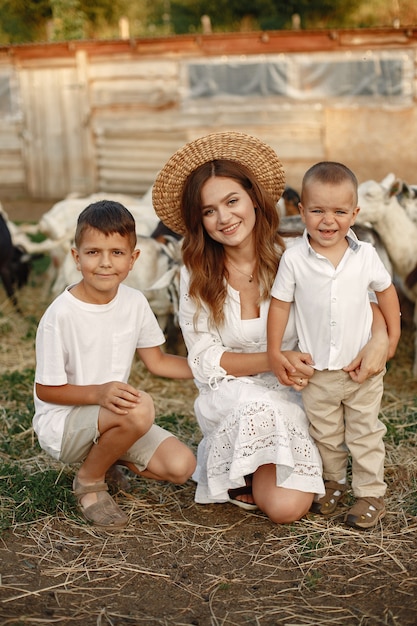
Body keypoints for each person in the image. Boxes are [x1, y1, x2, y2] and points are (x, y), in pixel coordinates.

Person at [151, 131, 390, 524]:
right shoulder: (194, 274)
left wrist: (380, 338)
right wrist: (274, 359)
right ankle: (240, 461)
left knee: (285, 508)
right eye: (209, 211)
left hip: (298, 392)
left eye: (232, 201)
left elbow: (357, 300)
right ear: (199, 220)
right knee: (257, 415)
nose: (224, 218)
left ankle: (252, 472)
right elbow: (205, 359)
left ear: (254, 199)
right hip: (234, 396)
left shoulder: (296, 254)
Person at [33, 200, 196, 529]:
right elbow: (46, 390)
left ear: (133, 258)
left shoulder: (134, 303)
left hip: (111, 417)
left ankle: (105, 458)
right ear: (76, 257)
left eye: (117, 253)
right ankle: (90, 481)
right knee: (140, 408)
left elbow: (159, 362)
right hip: (64, 428)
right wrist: (99, 394)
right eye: (93, 252)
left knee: (182, 466)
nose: (105, 263)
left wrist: (214, 366)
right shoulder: (60, 315)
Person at [267, 161, 401, 529]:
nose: (329, 221)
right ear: (301, 211)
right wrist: (275, 351)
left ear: (355, 213)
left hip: (361, 368)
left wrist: (392, 335)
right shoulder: (294, 258)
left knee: (365, 432)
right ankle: (334, 483)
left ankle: (371, 493)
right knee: (325, 433)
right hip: (318, 372)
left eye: (340, 211)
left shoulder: (366, 255)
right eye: (318, 210)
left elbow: (386, 292)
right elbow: (280, 305)